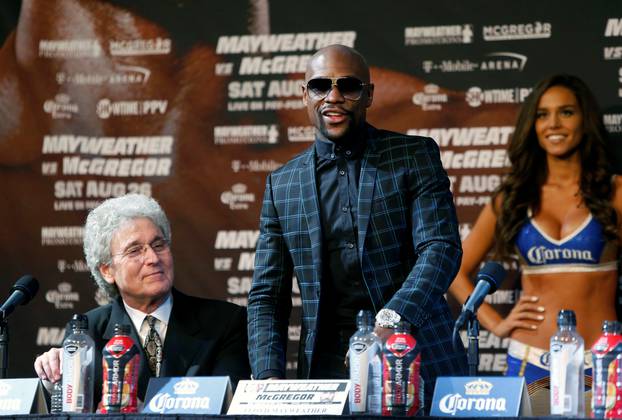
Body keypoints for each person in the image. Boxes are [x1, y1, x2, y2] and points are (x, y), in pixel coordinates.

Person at [247, 44, 467, 409]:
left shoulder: (413, 156)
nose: (333, 96)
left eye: (347, 86)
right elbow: (267, 294)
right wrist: (267, 376)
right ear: (304, 95)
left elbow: (440, 248)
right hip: (327, 372)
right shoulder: (281, 184)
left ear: (368, 95)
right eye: (320, 86)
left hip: (415, 352)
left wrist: (392, 322)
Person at [449, 74, 622, 386]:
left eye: (566, 112)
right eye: (542, 115)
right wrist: (496, 323)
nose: (553, 124)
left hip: (601, 360)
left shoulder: (615, 192)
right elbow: (455, 272)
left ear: (586, 120)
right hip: (528, 358)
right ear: (533, 125)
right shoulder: (513, 197)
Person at [34, 193, 250, 407]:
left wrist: (146, 409)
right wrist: (55, 379)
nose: (153, 259)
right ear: (108, 270)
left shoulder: (225, 322)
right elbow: (76, 409)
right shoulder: (87, 333)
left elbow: (229, 406)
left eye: (158, 245)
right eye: (135, 250)